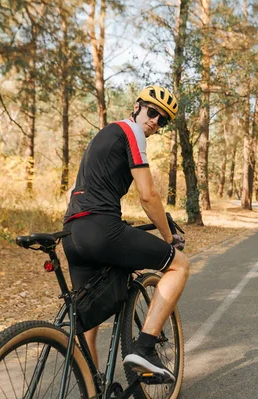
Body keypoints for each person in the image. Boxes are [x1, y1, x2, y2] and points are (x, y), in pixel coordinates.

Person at [61, 85, 189, 383]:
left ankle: (93, 389)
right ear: (137, 107)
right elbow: (148, 195)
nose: (156, 121)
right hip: (102, 229)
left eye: (164, 119)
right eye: (152, 111)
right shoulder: (131, 132)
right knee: (179, 264)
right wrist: (169, 237)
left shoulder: (100, 137)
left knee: (86, 328)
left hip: (72, 233)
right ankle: (144, 348)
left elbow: (77, 191)